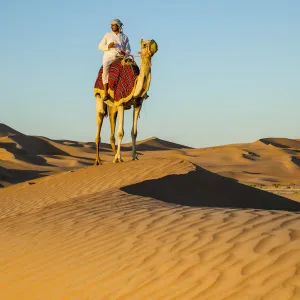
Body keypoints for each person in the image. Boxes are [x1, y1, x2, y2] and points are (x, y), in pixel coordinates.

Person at [98, 19, 131, 100]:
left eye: (113, 25)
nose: (112, 26)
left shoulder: (124, 37)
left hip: (120, 56)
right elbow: (99, 46)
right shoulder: (107, 35)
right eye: (111, 25)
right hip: (109, 55)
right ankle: (106, 92)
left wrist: (125, 53)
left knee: (131, 67)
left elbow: (128, 49)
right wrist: (108, 46)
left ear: (118, 26)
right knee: (105, 70)